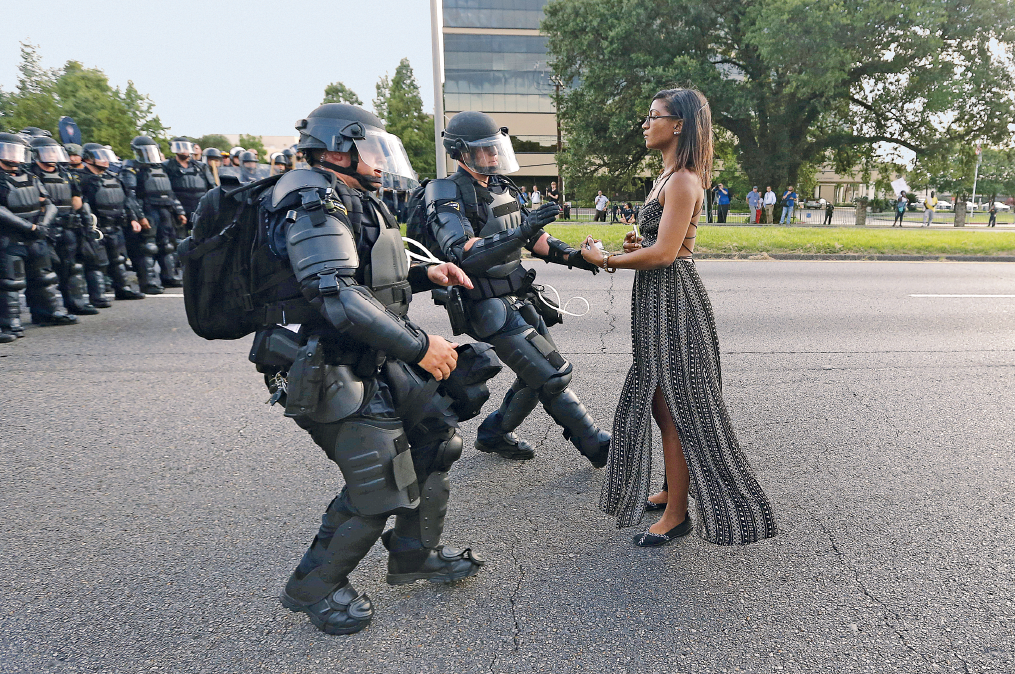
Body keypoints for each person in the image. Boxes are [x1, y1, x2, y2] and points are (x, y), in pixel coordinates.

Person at [247, 103, 494, 635]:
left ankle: (413, 553)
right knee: (380, 482)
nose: (382, 162)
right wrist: (420, 345)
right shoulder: (311, 197)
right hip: (321, 361)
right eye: (373, 149)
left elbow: (367, 274)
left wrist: (430, 273)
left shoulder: (346, 196)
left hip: (363, 351)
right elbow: (335, 294)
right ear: (339, 148)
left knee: (435, 437)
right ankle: (314, 586)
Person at [579, 88, 778, 547]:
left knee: (677, 407)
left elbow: (667, 254)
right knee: (658, 400)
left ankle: (677, 513)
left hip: (674, 300)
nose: (646, 124)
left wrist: (605, 259)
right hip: (656, 299)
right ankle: (673, 486)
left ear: (679, 125)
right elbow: (657, 246)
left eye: (654, 116)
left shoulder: (685, 179)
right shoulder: (666, 178)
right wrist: (635, 248)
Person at [422, 110, 611, 466]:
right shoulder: (444, 190)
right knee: (552, 374)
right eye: (485, 149)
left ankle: (494, 433)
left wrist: (576, 257)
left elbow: (534, 237)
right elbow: (462, 253)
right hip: (484, 303)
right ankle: (596, 444)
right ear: (461, 152)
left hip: (518, 295)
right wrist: (523, 232)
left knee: (535, 376)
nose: (494, 155)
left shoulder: (500, 187)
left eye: (496, 147)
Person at [0, 132, 79, 342]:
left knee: (45, 277)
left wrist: (42, 225)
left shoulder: (31, 176)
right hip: (10, 238)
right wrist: (29, 227)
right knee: (10, 283)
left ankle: (48, 312)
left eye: (16, 151)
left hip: (36, 236)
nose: (13, 156)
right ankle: (10, 323)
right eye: (8, 150)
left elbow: (49, 203)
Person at [27, 135, 99, 315]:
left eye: (53, 151)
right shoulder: (30, 174)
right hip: (44, 229)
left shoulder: (65, 173)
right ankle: (43, 312)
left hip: (68, 227)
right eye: (47, 152)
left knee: (72, 267)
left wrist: (85, 221)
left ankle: (76, 304)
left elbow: (77, 199)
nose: (51, 155)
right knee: (44, 272)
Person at [78, 143, 146, 302]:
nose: (105, 160)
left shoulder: (113, 177)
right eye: (100, 157)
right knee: (96, 263)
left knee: (118, 260)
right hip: (96, 228)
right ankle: (98, 296)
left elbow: (126, 200)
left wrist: (133, 219)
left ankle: (123, 289)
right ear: (88, 159)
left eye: (105, 156)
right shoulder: (81, 179)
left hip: (116, 225)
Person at [121, 136, 185, 291]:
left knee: (168, 245)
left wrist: (179, 211)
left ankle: (169, 276)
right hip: (147, 209)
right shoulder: (131, 168)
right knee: (147, 247)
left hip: (165, 210)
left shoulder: (161, 168)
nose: (149, 154)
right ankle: (148, 282)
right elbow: (130, 195)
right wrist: (139, 216)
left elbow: (170, 192)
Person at [164, 137, 214, 229]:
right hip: (178, 207)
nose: (184, 150)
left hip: (200, 207)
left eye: (186, 147)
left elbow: (212, 187)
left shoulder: (200, 166)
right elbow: (166, 190)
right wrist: (178, 210)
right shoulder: (167, 166)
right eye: (180, 147)